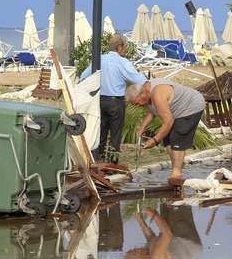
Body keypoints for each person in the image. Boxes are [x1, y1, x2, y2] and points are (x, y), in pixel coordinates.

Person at [125, 78, 206, 179]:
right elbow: (152, 110)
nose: (137, 106)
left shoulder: (157, 93)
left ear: (142, 93)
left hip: (191, 105)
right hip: (177, 111)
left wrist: (154, 141)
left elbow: (169, 122)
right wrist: (142, 127)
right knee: (167, 138)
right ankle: (176, 168)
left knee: (178, 135)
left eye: (137, 103)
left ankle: (177, 173)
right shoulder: (147, 90)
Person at [87, 35, 147, 163]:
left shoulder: (99, 59)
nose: (126, 50)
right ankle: (112, 163)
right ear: (119, 48)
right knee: (115, 136)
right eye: (125, 47)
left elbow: (84, 77)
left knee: (100, 134)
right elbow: (137, 79)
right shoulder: (121, 62)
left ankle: (98, 161)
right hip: (115, 102)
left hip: (100, 101)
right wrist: (151, 85)